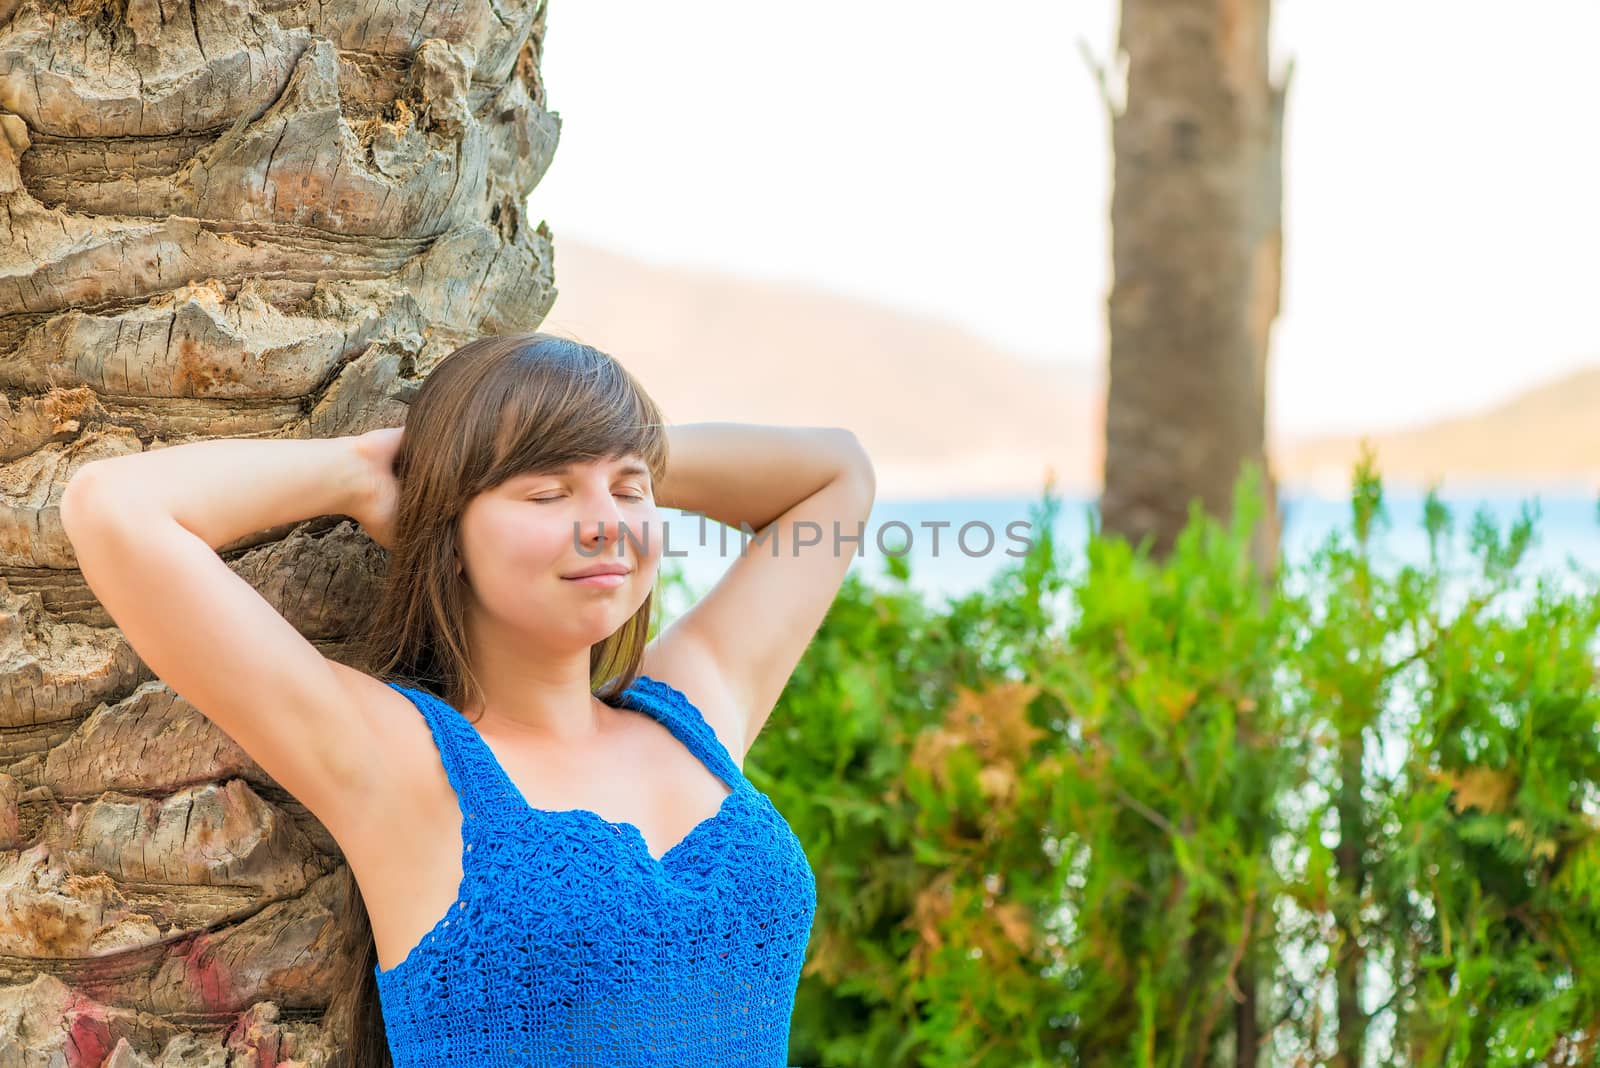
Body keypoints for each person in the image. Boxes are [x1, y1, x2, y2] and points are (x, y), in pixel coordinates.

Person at [59, 332, 877, 1067]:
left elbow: (837, 475)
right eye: (545, 494)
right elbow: (113, 510)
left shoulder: (693, 709)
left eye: (629, 494)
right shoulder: (401, 765)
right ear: (448, 534)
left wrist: (606, 448)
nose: (605, 527)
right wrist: (375, 472)